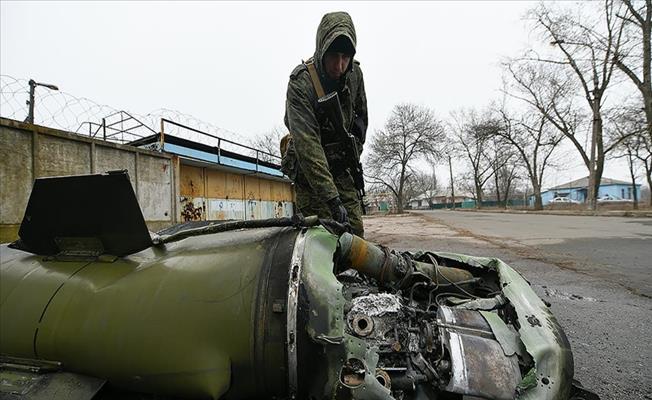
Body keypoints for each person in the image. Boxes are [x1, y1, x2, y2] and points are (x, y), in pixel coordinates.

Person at [282, 11, 368, 237]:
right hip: (311, 174)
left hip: (341, 167)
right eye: (333, 56)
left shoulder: (355, 74)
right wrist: (331, 197)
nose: (339, 65)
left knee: (355, 235)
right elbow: (307, 146)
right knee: (320, 239)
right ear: (322, 49)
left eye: (345, 57)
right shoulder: (302, 83)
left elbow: (360, 119)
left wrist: (353, 150)